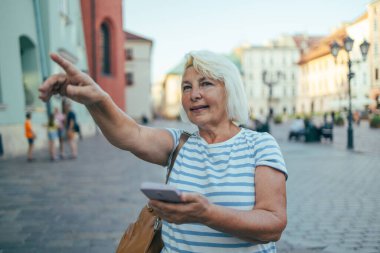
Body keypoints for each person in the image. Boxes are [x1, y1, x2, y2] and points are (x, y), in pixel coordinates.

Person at [39, 51, 288, 252]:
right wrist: (96, 98)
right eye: (186, 87)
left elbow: (273, 224)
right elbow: (130, 134)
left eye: (206, 83)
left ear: (230, 90)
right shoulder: (179, 142)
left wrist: (206, 214)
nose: (194, 94)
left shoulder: (259, 144)